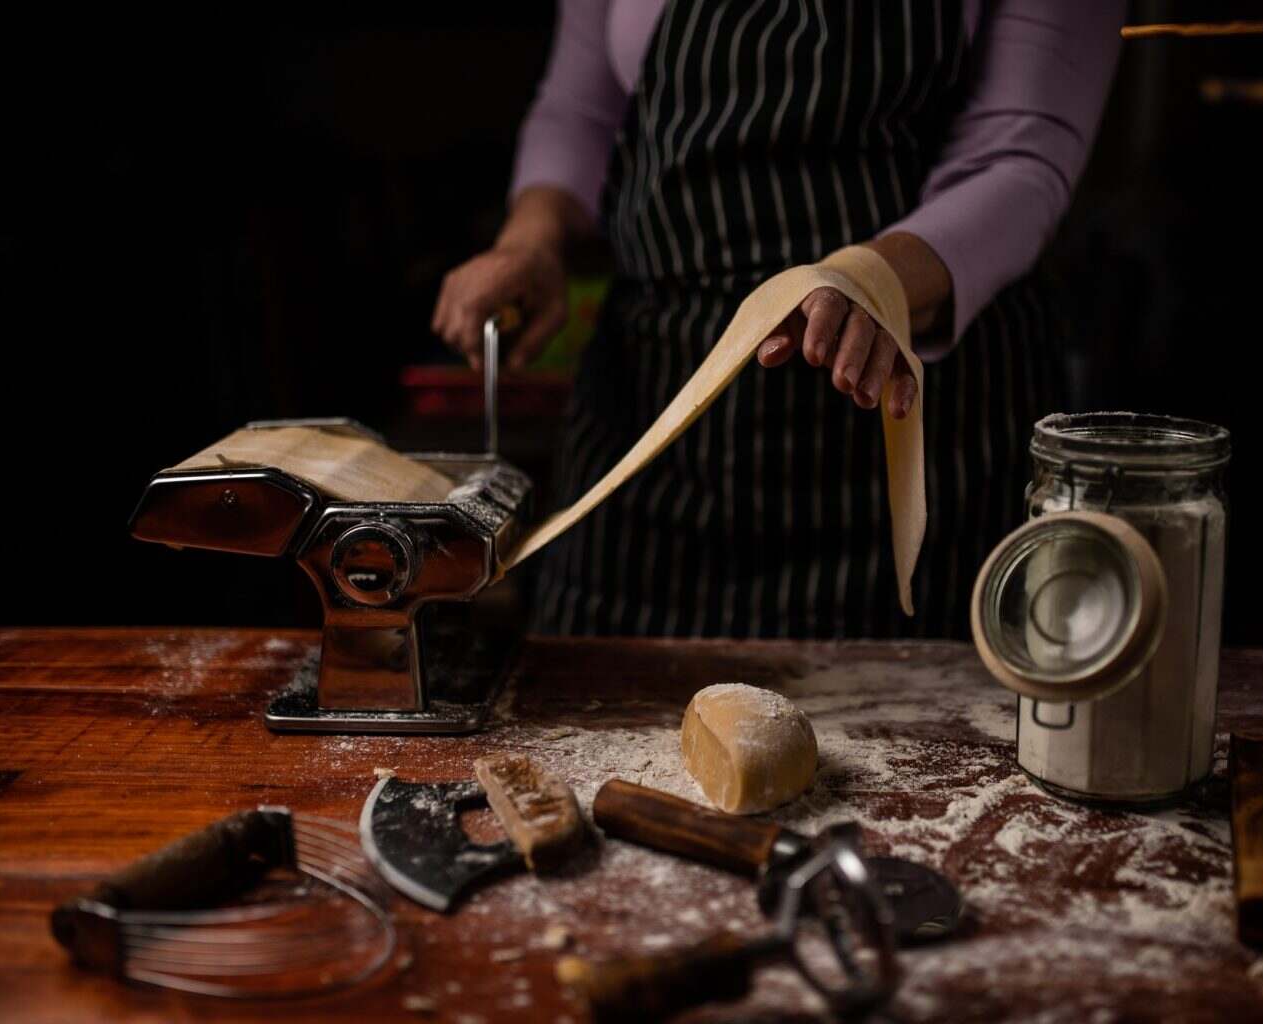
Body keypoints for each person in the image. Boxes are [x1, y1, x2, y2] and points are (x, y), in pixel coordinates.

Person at [433, 0, 1124, 638]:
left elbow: (1018, 155)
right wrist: (531, 239)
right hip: (650, 413)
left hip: (910, 418)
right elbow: (581, 110)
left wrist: (871, 278)